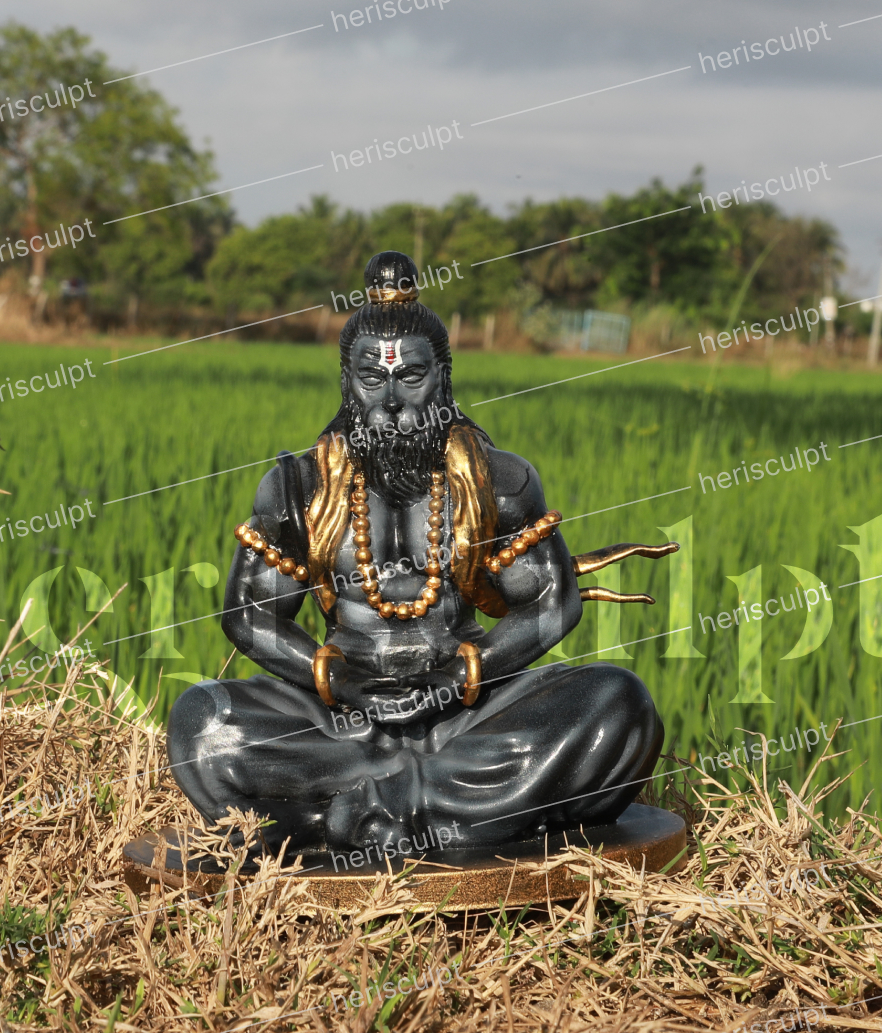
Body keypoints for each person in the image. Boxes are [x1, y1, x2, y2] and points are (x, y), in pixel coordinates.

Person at [166, 251, 665, 855]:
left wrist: (462, 676)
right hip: (345, 722)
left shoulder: (497, 483)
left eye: (411, 377)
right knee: (203, 723)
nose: (392, 402)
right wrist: (339, 681)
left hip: (469, 714)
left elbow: (553, 603)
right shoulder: (301, 490)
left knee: (619, 705)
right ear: (347, 382)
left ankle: (360, 813)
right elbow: (249, 615)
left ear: (443, 378)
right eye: (372, 380)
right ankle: (456, 810)